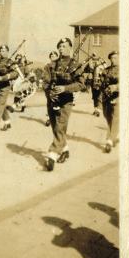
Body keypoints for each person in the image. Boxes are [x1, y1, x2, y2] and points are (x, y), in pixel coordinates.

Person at [42, 38, 85, 171]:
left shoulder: (75, 65)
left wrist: (65, 88)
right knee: (56, 127)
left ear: (70, 48)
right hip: (52, 100)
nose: (61, 48)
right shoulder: (50, 65)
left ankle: (52, 155)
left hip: (66, 100)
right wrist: (50, 92)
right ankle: (65, 149)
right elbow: (45, 82)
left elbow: (81, 84)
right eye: (60, 46)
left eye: (65, 46)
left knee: (60, 126)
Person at [101, 51, 120, 153]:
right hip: (106, 97)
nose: (114, 60)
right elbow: (102, 83)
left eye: (116, 58)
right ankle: (114, 137)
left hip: (119, 96)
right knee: (107, 116)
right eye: (112, 58)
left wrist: (116, 87)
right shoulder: (106, 70)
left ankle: (109, 141)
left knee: (115, 117)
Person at [44, 50, 59, 127]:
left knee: (58, 103)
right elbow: (46, 76)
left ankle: (56, 119)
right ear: (50, 57)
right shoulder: (47, 66)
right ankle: (50, 119)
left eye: (54, 55)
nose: (53, 57)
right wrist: (51, 82)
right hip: (49, 87)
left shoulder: (59, 65)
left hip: (58, 87)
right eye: (51, 56)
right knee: (50, 103)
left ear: (57, 57)